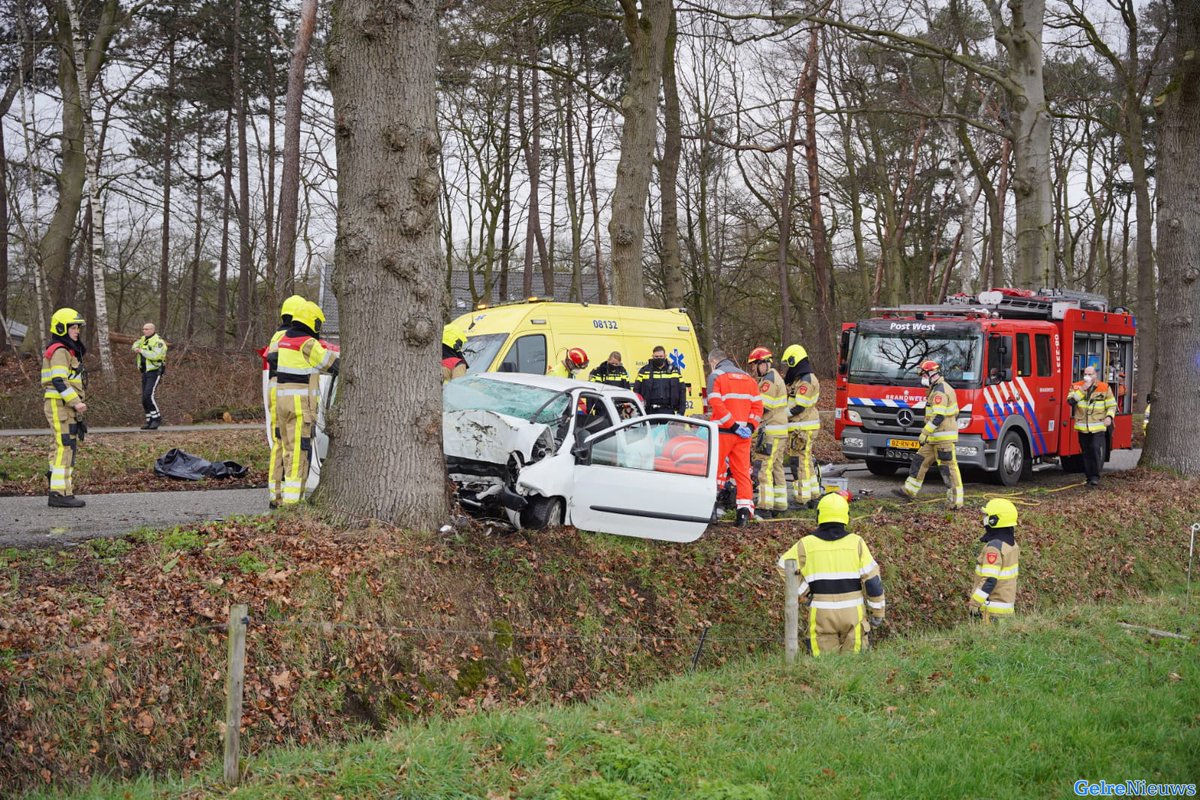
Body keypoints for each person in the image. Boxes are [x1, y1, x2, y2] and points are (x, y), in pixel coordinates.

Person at [776, 491, 885, 655]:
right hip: (853, 614)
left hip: (821, 612)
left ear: (819, 515)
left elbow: (783, 566)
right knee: (854, 665)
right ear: (846, 516)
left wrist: (804, 592)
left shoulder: (806, 544)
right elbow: (873, 582)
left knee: (824, 666)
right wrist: (878, 611)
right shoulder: (857, 543)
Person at [273, 300, 339, 506]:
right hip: (300, 405)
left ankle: (280, 497)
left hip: (282, 401)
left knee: (285, 449)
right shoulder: (307, 344)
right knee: (299, 453)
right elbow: (331, 364)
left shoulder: (285, 341)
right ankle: (293, 503)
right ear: (313, 322)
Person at [892, 359, 963, 509]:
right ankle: (910, 491)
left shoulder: (940, 391)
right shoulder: (936, 388)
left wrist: (925, 432)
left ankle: (956, 501)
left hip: (943, 438)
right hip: (935, 438)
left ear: (930, 373)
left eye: (923, 375)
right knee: (919, 460)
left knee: (948, 468)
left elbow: (939, 416)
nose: (921, 378)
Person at [707, 349, 763, 526]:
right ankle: (744, 514)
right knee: (742, 473)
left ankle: (711, 511)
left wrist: (732, 424)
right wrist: (749, 426)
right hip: (742, 436)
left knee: (715, 471)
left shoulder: (716, 376)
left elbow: (716, 404)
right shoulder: (749, 378)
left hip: (723, 432)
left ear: (713, 361)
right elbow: (757, 407)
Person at [263, 294, 309, 507]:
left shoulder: (276, 336)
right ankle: (290, 498)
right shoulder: (293, 338)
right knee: (293, 445)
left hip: (275, 394)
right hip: (288, 395)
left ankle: (276, 494)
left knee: (279, 444)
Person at [41, 308, 88, 508]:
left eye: (78, 327)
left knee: (60, 445)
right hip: (60, 404)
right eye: (73, 327)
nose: (77, 331)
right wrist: (75, 402)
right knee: (64, 446)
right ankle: (60, 493)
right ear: (61, 328)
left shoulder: (66, 350)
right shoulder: (60, 351)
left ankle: (59, 488)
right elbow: (59, 380)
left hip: (63, 405)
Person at [747, 347, 788, 517]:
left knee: (764, 467)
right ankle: (780, 504)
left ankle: (765, 506)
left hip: (771, 430)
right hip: (779, 430)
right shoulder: (774, 377)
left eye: (754, 365)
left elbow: (762, 407)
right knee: (777, 467)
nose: (753, 370)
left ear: (762, 363)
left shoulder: (768, 381)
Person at [781, 344, 821, 507]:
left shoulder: (807, 381)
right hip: (801, 427)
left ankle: (803, 498)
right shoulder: (800, 379)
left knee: (799, 462)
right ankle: (812, 495)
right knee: (805, 461)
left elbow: (799, 407)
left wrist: (781, 415)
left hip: (803, 427)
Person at [969, 498, 1020, 620]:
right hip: (1006, 608)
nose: (984, 519)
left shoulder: (994, 548)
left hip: (990, 611)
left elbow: (989, 579)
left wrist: (975, 603)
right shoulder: (1012, 545)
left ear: (994, 520)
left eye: (987, 516)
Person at [1067, 364, 1116, 488]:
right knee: (1086, 452)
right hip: (1083, 427)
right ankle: (1089, 477)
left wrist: (1109, 417)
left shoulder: (1104, 388)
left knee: (1094, 449)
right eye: (1085, 374)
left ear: (1095, 375)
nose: (1087, 376)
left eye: (1090, 374)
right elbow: (1071, 401)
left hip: (1098, 426)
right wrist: (1083, 389)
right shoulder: (1076, 386)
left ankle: (1094, 477)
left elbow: (1111, 405)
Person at [131, 322, 168, 430]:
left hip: (154, 371)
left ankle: (157, 419)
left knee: (149, 395)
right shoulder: (143, 339)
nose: (144, 331)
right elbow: (134, 345)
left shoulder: (158, 342)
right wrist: (136, 349)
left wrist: (141, 351)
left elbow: (156, 356)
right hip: (145, 371)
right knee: (144, 398)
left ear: (152, 330)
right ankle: (149, 420)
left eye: (146, 329)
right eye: (143, 329)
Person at [634, 345, 686, 415]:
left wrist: (681, 411)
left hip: (668, 410)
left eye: (661, 356)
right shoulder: (645, 371)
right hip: (650, 411)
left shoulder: (674, 370)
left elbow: (682, 390)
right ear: (652, 356)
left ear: (665, 356)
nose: (659, 358)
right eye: (656, 357)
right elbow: (636, 390)